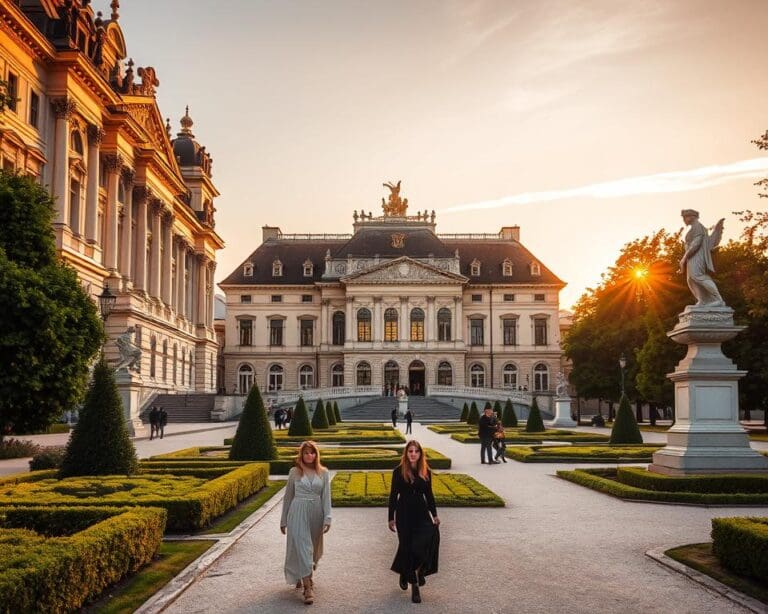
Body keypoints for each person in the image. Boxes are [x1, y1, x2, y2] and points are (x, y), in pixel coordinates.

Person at [388, 440, 440, 604]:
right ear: (406, 453)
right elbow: (393, 496)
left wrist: (434, 514)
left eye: (416, 451)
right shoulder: (398, 471)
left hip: (421, 513)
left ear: (420, 454)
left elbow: (429, 495)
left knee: (424, 542)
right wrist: (390, 517)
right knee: (407, 546)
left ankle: (409, 572)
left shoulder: (426, 471)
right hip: (403, 513)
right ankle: (415, 586)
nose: (413, 454)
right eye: (410, 451)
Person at [280, 441, 332, 605]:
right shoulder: (294, 472)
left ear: (316, 454)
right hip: (297, 511)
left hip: (316, 513)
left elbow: (326, 497)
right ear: (301, 455)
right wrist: (283, 520)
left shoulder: (323, 472)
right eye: (306, 453)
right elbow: (288, 497)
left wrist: (327, 517)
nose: (310, 456)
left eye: (312, 453)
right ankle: (308, 587)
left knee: (312, 549)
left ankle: (302, 574)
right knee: (304, 547)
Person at [679, 209, 725, 307]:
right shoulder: (694, 228)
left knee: (698, 276)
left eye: (685, 217)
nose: (684, 220)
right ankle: (703, 300)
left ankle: (718, 299)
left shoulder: (698, 227)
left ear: (691, 217)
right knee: (691, 279)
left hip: (698, 256)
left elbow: (696, 244)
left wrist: (684, 258)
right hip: (692, 257)